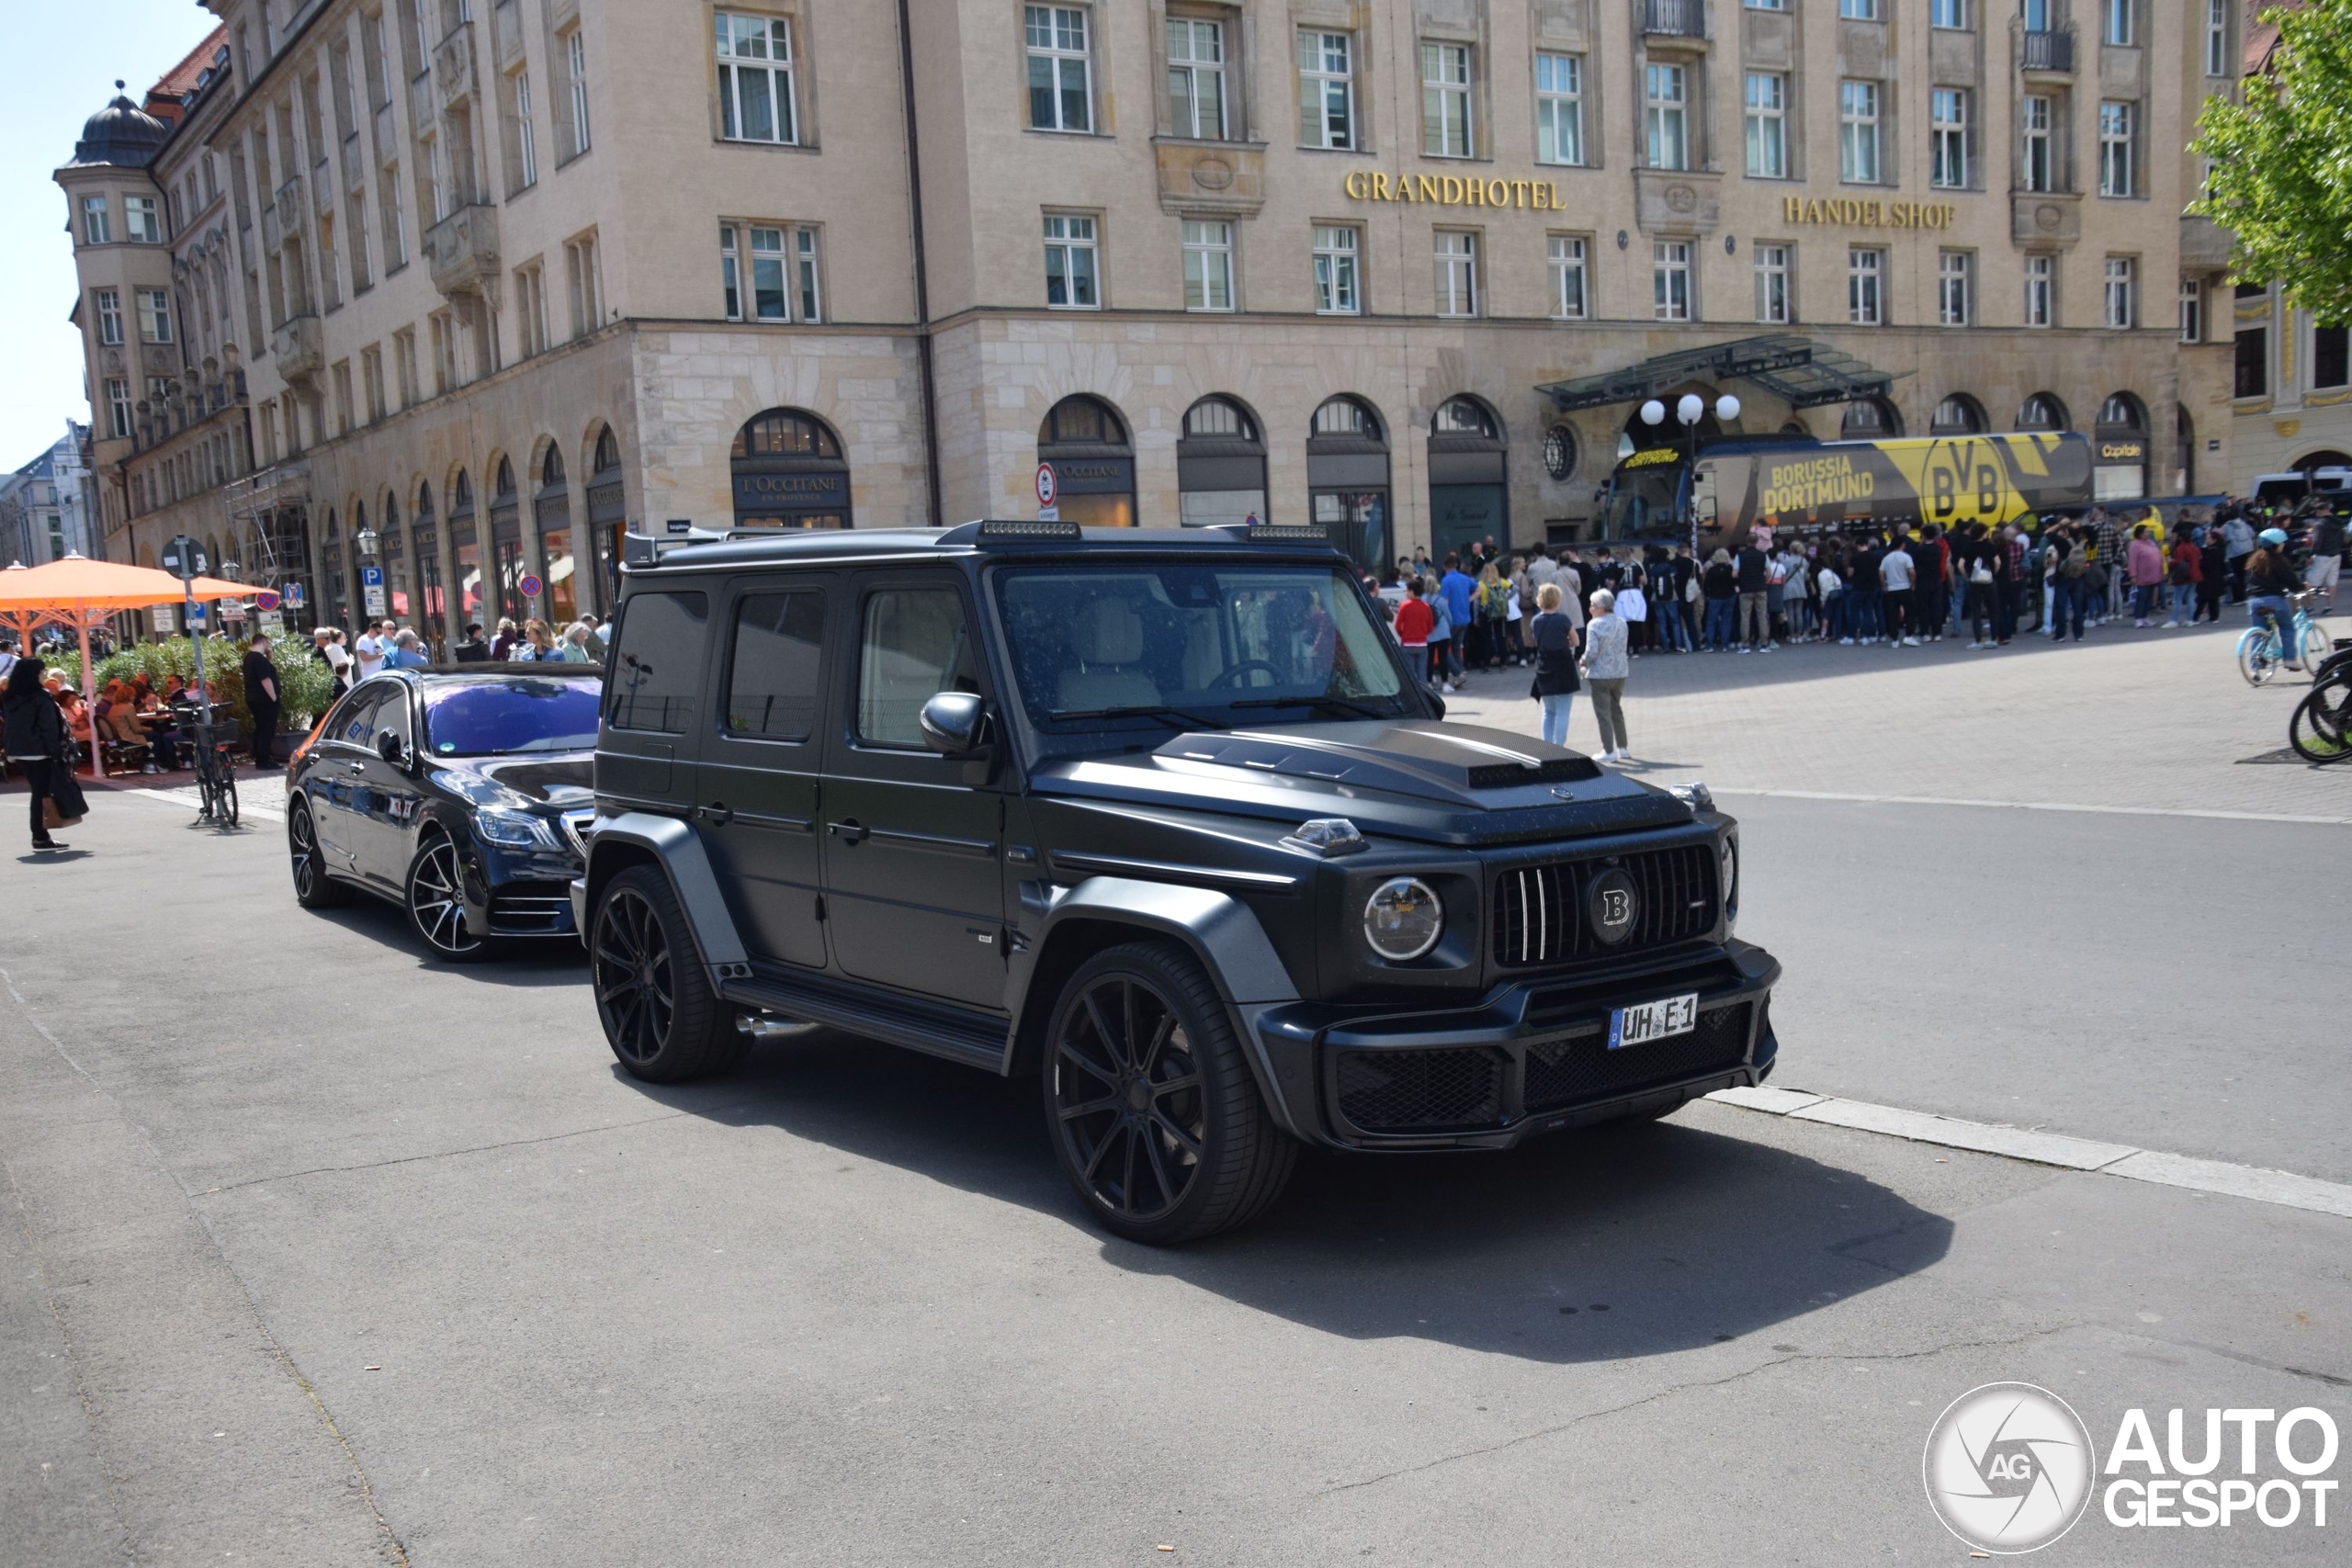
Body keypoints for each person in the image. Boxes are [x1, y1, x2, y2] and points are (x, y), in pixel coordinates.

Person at [4, 657, 72, 850]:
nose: (44, 674)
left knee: (38, 791)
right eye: (42, 671)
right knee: (40, 793)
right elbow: (48, 727)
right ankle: (40, 835)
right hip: (40, 750)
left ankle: (40, 835)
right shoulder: (40, 697)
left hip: (19, 749)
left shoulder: (11, 697)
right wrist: (55, 751)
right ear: (35, 674)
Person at [1581, 588, 1631, 763]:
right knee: (1616, 708)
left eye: (1593, 605)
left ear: (1602, 607)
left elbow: (1591, 652)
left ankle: (1608, 750)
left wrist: (1583, 661)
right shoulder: (1621, 622)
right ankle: (1623, 748)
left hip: (1600, 674)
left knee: (1603, 713)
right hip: (1620, 672)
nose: (1590, 608)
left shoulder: (1594, 625)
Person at [1528, 582, 1580, 746]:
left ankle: (1547, 746)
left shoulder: (1535, 621)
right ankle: (1560, 748)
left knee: (1548, 711)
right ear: (1557, 599)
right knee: (1563, 711)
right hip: (1564, 666)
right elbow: (1576, 641)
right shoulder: (1563, 619)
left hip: (1544, 666)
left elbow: (1537, 640)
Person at [2245, 528, 2306, 669]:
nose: (2283, 545)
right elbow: (2291, 581)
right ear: (2276, 545)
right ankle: (2290, 659)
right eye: (2282, 543)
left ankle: (2254, 666)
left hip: (2253, 600)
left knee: (2258, 631)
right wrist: (2301, 587)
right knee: (2287, 628)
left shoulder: (2254, 560)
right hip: (2274, 599)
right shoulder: (2279, 561)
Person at [243, 635, 281, 769]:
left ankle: (261, 757)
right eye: (267, 643)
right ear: (263, 642)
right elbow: (265, 680)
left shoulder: (249, 658)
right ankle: (263, 760)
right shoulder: (259, 659)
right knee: (266, 729)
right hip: (264, 699)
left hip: (253, 698)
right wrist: (274, 697)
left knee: (261, 728)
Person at [1436, 554, 1474, 685]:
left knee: (1445, 648)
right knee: (1457, 646)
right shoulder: (1465, 578)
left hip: (1452, 619)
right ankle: (1460, 672)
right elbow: (1478, 589)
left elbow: (1444, 601)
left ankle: (1457, 672)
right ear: (1456, 565)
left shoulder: (1446, 581)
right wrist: (1469, 599)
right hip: (1465, 617)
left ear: (1443, 567)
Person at [1878, 533, 1917, 647]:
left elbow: (1880, 572)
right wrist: (1913, 583)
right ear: (1903, 545)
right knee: (1910, 612)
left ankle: (1894, 639)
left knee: (1893, 613)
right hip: (1905, 587)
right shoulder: (1906, 557)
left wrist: (1884, 586)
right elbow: (1911, 571)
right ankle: (1909, 635)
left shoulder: (1887, 558)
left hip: (1891, 588)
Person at [1734, 536, 1771, 651]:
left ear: (1746, 541)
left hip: (1745, 589)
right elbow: (1768, 572)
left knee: (1745, 617)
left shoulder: (1739, 556)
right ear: (1757, 541)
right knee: (1762, 616)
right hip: (1760, 588)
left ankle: (1745, 645)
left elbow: (1734, 574)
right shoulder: (1764, 555)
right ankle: (1764, 644)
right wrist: (1763, 580)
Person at [2125, 525, 2165, 627]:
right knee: (2141, 598)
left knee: (2149, 599)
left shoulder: (2150, 543)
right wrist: (2133, 575)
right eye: (2147, 531)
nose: (2149, 533)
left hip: (2153, 576)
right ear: (2140, 534)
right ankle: (2138, 618)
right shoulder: (2135, 545)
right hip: (2142, 576)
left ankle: (2144, 617)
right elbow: (2132, 561)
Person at [1393, 575, 1434, 678]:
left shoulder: (1404, 606)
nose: (1406, 593)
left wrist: (1403, 635)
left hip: (1407, 644)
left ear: (1412, 591)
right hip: (1422, 644)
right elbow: (1430, 627)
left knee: (1411, 675)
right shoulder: (1426, 607)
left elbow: (1397, 625)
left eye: (1407, 591)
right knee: (1422, 674)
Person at [2306, 503, 2345, 611]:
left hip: (2322, 556)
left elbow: (2318, 542)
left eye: (2317, 511)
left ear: (2322, 511)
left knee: (2311, 582)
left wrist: (2310, 555)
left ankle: (2310, 607)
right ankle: (2329, 607)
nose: (2316, 513)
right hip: (2336, 554)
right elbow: (2342, 538)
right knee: (2332, 582)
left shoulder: (2320, 524)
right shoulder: (2338, 522)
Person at [1701, 547, 1737, 651]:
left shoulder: (1712, 570)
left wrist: (1707, 595)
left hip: (1715, 597)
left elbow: (1706, 584)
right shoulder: (1730, 568)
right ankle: (1725, 645)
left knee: (1711, 621)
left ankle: (1709, 645)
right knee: (1727, 620)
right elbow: (1735, 582)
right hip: (1729, 596)